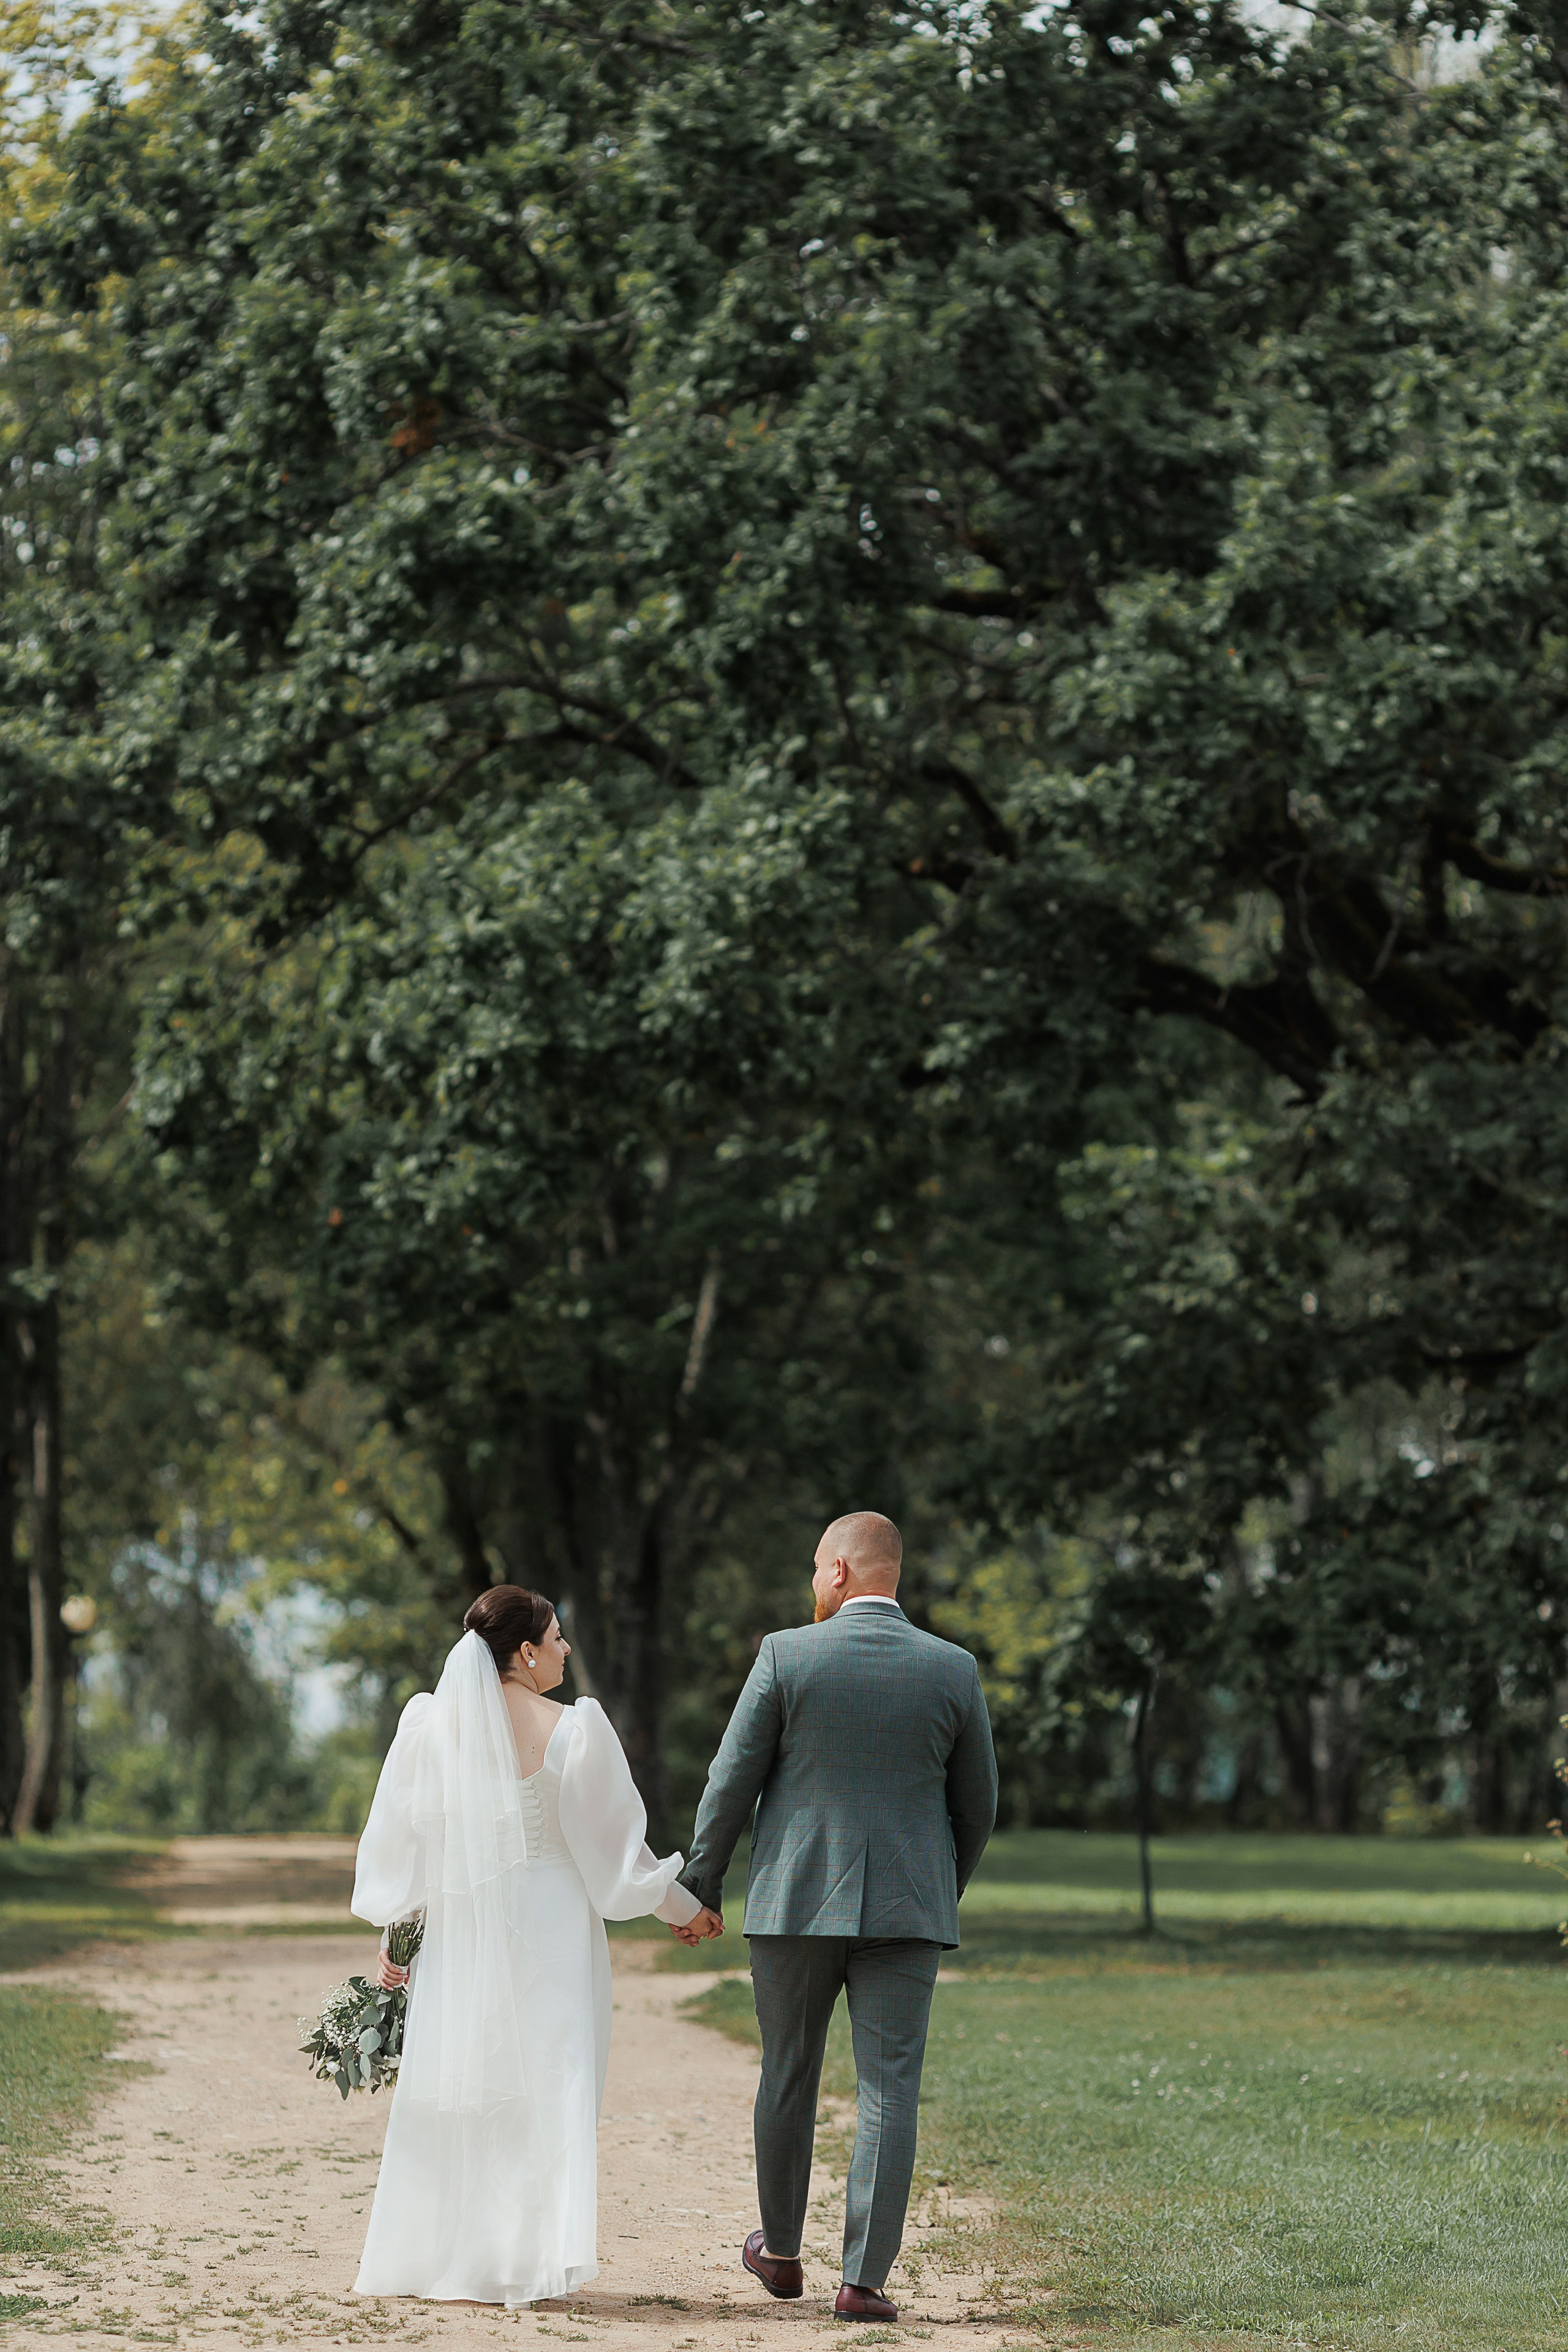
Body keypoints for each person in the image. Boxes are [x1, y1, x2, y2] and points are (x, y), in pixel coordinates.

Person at [671, 1512, 998, 2324]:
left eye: (819, 1567)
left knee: (788, 2070)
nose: (814, 1581)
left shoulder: (785, 1654)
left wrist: (701, 1884)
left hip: (793, 1902)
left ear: (843, 1572)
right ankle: (863, 2281)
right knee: (890, 2092)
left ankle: (781, 2256)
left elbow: (730, 1780)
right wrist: (933, 1890)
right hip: (908, 1910)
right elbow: (980, 1808)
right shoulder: (954, 1669)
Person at [349, 1586, 710, 2308]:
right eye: (557, 1637)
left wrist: (402, 1934)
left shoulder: (428, 1727)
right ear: (525, 1652)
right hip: (551, 1931)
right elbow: (616, 1859)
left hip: (462, 1928)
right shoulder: (574, 1732)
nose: (566, 1649)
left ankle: (439, 2253)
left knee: (467, 2077)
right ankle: (526, 2259)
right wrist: (685, 1905)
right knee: (551, 2085)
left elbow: (413, 1838)